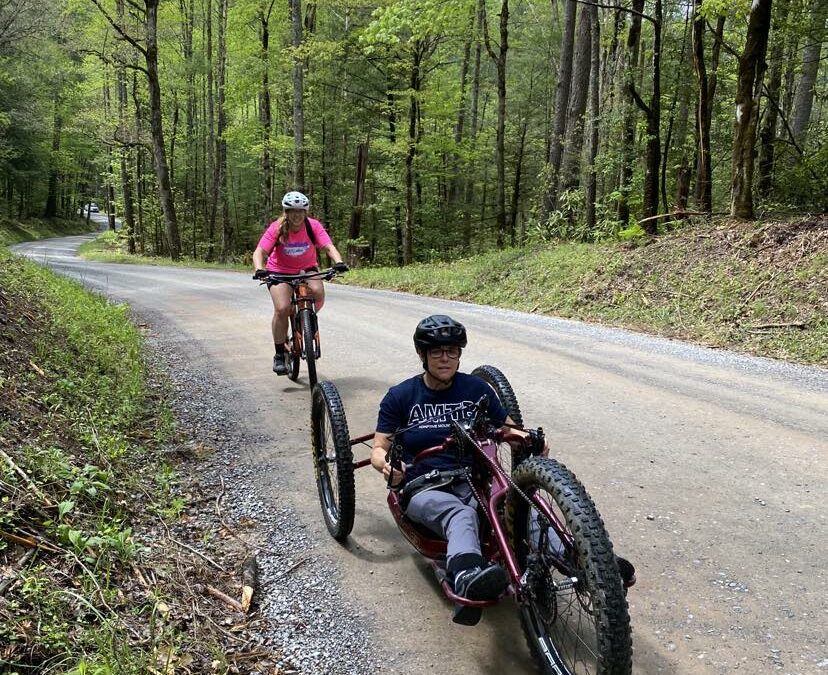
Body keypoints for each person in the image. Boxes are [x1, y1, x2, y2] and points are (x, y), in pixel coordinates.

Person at [371, 314, 535, 625]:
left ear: (460, 354)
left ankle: (583, 562)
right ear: (423, 355)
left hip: (474, 480)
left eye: (452, 352)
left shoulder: (476, 389)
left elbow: (509, 430)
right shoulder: (401, 396)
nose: (445, 359)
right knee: (462, 516)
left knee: (518, 506)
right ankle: (466, 576)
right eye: (436, 352)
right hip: (424, 485)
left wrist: (528, 440)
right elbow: (379, 449)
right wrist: (387, 467)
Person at [252, 191, 348, 375]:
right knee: (282, 308)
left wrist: (338, 262)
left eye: (300, 211)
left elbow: (328, 246)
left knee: (318, 291)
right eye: (291, 211)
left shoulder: (313, 226)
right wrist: (259, 269)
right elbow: (259, 252)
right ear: (285, 212)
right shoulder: (277, 227)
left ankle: (305, 318)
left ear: (305, 212)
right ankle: (280, 353)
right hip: (279, 272)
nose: (296, 215)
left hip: (307, 269)